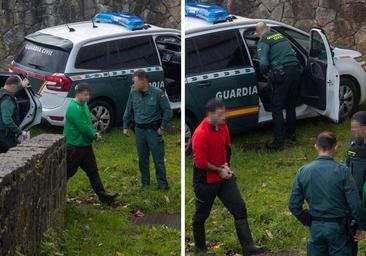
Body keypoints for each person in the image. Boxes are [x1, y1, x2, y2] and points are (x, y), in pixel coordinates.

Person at [191, 98, 267, 255]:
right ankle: (200, 248)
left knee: (239, 208)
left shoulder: (223, 126)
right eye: (220, 114)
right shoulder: (200, 133)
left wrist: (226, 166)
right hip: (205, 181)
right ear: (210, 114)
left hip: (224, 177)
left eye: (224, 113)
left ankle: (248, 247)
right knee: (201, 215)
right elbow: (200, 162)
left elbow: (227, 148)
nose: (223, 117)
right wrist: (219, 170)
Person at [289, 131, 363, 255]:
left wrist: (307, 220)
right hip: (339, 229)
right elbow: (355, 204)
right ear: (336, 147)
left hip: (316, 227)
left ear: (316, 146)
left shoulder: (303, 171)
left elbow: (293, 205)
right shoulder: (343, 171)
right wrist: (360, 226)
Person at [64, 83, 118, 204]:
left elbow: (88, 123)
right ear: (78, 94)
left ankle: (103, 195)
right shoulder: (74, 108)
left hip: (85, 146)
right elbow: (83, 127)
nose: (88, 97)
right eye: (85, 95)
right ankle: (60, 195)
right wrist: (94, 136)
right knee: (67, 173)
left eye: (88, 95)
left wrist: (94, 132)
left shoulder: (83, 105)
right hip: (75, 146)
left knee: (93, 170)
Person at [123, 70, 172, 190]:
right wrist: (125, 126)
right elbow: (128, 109)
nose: (134, 85)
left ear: (144, 80)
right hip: (139, 130)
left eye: (135, 82)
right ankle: (145, 183)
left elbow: (168, 111)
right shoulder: (133, 92)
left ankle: (163, 184)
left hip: (153, 131)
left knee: (158, 159)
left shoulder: (157, 93)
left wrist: (162, 127)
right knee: (142, 158)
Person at [256, 21, 301, 151]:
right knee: (290, 104)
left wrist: (265, 73)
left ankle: (278, 142)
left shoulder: (263, 40)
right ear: (268, 28)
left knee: (277, 107)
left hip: (282, 74)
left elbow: (263, 62)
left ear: (258, 33)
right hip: (296, 70)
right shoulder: (280, 36)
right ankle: (291, 134)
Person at [345, 111, 366, 255]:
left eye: (355, 127)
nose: (352, 130)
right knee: (352, 237)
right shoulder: (354, 145)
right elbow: (347, 166)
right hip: (354, 199)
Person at [0, 76, 29, 153]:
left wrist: (21, 85)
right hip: (4, 137)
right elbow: (7, 120)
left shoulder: (1, 93)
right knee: (14, 153)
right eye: (17, 88)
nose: (16, 90)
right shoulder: (7, 101)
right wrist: (20, 132)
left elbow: (13, 89)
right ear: (13, 86)